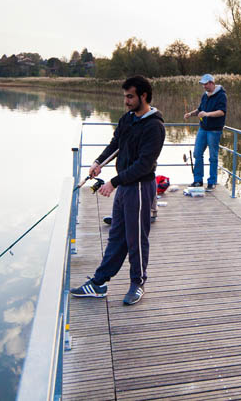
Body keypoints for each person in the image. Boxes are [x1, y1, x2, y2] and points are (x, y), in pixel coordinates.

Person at [70, 75, 165, 306]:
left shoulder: (155, 127)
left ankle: (138, 283)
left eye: (130, 96)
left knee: (136, 239)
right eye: (125, 96)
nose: (126, 101)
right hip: (125, 187)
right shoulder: (127, 119)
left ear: (143, 95)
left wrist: (113, 182)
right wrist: (98, 162)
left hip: (141, 187)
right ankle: (99, 283)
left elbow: (144, 164)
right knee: (116, 237)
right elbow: (116, 144)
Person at [183, 73, 227, 190]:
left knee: (213, 157)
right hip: (203, 129)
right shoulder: (205, 95)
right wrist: (191, 114)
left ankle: (212, 182)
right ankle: (198, 180)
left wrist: (207, 114)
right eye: (203, 85)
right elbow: (200, 109)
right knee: (197, 153)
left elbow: (222, 112)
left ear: (212, 83)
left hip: (214, 130)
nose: (204, 87)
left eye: (206, 84)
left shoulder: (221, 95)